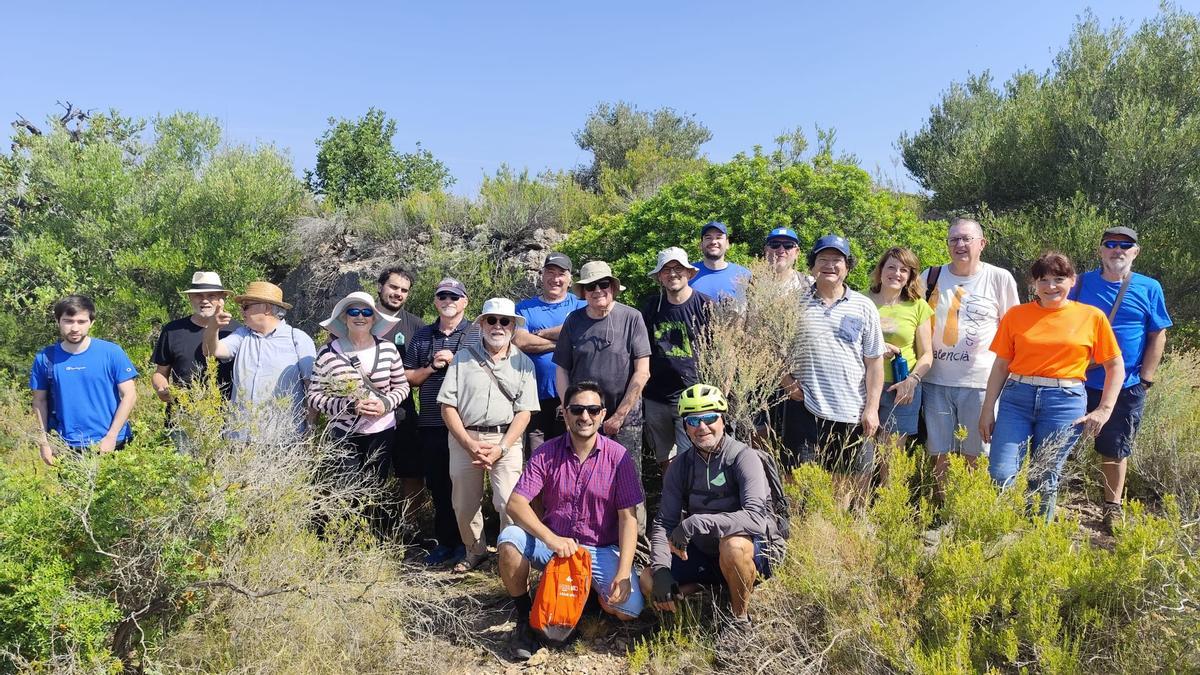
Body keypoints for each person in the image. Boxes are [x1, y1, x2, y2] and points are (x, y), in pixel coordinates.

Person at [499, 380, 645, 660]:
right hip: (554, 546)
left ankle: (583, 598)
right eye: (577, 409)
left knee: (629, 610)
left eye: (593, 410)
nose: (585, 416)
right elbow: (516, 503)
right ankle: (525, 616)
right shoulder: (546, 452)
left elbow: (629, 519)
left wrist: (624, 572)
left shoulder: (619, 457)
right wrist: (551, 538)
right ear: (565, 413)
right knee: (509, 540)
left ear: (603, 414)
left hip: (599, 549)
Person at [980, 252, 1123, 522]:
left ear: (1072, 280)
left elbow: (1115, 366)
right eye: (1043, 280)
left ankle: (1035, 536)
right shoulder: (1016, 315)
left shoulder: (1091, 317)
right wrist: (988, 408)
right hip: (1017, 398)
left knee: (1044, 474)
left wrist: (1104, 409)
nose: (1051, 286)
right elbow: (1001, 366)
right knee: (1001, 473)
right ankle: (1001, 532)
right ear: (1034, 283)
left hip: (1064, 401)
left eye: (1059, 279)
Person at [641, 384, 772, 647]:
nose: (702, 427)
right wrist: (662, 568)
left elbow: (756, 519)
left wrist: (696, 522)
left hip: (749, 550)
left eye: (710, 418)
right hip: (702, 552)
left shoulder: (743, 457)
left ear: (723, 419)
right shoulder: (680, 466)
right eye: (693, 421)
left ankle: (740, 621)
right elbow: (664, 522)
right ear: (685, 426)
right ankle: (697, 606)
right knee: (647, 579)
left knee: (733, 546)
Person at [1071, 227, 1172, 531]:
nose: (1117, 250)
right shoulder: (1081, 283)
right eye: (1111, 244)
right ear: (1101, 250)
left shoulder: (1149, 287)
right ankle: (1045, 501)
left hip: (1126, 386)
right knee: (1058, 442)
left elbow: (1157, 334)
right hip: (1078, 381)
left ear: (1135, 252)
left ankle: (1111, 508)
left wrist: (1145, 379)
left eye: (1125, 246)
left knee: (1115, 450)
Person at [781, 235, 884, 510]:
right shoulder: (792, 303)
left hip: (850, 410)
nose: (829, 265)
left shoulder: (864, 306)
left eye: (837, 260)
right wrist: (786, 381)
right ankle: (796, 530)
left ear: (847, 267)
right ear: (812, 266)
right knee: (795, 479)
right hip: (804, 407)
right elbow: (773, 348)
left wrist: (872, 408)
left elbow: (874, 363)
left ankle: (830, 530)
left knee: (842, 483)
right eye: (823, 259)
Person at [438, 298, 539, 573]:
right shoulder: (462, 359)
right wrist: (468, 443)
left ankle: (509, 555)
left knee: (509, 502)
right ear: (482, 323)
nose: (498, 326)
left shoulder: (524, 363)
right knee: (464, 504)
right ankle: (475, 551)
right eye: (491, 320)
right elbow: (447, 406)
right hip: (465, 438)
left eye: (505, 321)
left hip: (506, 440)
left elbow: (525, 412)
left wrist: (502, 448)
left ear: (513, 326)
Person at [921, 217, 1020, 495]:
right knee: (939, 451)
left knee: (976, 451)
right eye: (954, 239)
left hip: (981, 383)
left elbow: (1013, 329)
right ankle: (943, 505)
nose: (960, 245)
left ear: (982, 243)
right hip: (935, 380)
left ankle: (969, 505)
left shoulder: (999, 278)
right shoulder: (931, 276)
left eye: (967, 239)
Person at [554, 261, 651, 531]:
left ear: (613, 287)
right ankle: (591, 537)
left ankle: (636, 542)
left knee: (629, 480)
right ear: (583, 291)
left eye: (603, 284)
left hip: (625, 418)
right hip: (583, 416)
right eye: (590, 286)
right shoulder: (574, 321)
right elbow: (562, 370)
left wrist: (619, 415)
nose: (598, 290)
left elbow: (642, 372)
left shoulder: (631, 317)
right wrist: (568, 411)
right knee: (584, 477)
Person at [308, 291, 410, 530]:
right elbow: (314, 395)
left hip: (382, 431)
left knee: (375, 488)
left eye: (366, 312)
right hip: (344, 433)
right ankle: (349, 540)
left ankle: (374, 538)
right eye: (353, 311)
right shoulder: (327, 353)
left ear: (374, 318)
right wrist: (350, 407)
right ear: (344, 318)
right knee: (346, 489)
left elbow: (402, 386)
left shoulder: (388, 349)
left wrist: (385, 404)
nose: (360, 317)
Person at [403, 278, 480, 566]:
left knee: (465, 488)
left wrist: (455, 358)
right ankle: (446, 542)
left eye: (454, 296)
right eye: (443, 296)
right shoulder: (423, 335)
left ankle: (468, 544)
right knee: (438, 486)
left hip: (466, 424)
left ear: (465, 301)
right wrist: (432, 366)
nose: (448, 300)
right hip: (431, 423)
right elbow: (408, 377)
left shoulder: (477, 332)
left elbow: (487, 367)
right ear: (436, 301)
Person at [31, 295, 138, 465]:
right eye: (68, 321)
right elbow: (39, 402)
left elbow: (129, 395)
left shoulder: (111, 353)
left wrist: (111, 436)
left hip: (113, 442)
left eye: (81, 322)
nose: (75, 328)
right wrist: (44, 442)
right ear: (58, 321)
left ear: (91, 322)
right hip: (67, 446)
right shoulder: (45, 358)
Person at [203, 281, 317, 441]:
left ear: (267, 308)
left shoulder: (297, 339)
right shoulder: (242, 335)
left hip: (282, 439)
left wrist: (310, 431)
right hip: (240, 438)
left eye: (246, 306)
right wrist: (213, 327)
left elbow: (312, 389)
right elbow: (211, 351)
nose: (241, 311)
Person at [639, 247, 713, 468]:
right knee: (665, 460)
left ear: (689, 273)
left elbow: (721, 351)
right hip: (656, 397)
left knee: (691, 459)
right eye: (666, 269)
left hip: (692, 396)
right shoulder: (651, 306)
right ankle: (670, 492)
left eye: (678, 268)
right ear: (660, 277)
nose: (672, 274)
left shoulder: (705, 305)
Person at [151, 272, 238, 445]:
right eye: (199, 295)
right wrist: (161, 388)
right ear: (190, 298)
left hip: (227, 420)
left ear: (222, 298)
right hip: (182, 419)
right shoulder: (173, 330)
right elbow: (160, 372)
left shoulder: (236, 331)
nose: (204, 301)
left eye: (211, 295)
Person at [514, 253, 586, 452]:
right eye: (550, 272)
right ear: (542, 275)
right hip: (534, 397)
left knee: (569, 456)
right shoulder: (524, 308)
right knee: (537, 457)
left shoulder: (580, 304)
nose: (555, 279)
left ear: (570, 278)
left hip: (571, 396)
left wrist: (541, 334)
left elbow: (579, 330)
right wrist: (563, 344)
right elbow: (521, 340)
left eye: (561, 274)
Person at [867, 248, 933, 447]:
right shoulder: (861, 301)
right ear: (881, 270)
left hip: (901, 388)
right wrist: (877, 348)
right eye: (891, 267)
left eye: (903, 270)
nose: (896, 273)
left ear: (910, 276)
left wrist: (912, 381)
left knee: (891, 455)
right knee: (861, 452)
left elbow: (927, 354)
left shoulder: (918, 306)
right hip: (863, 384)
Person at [375, 267, 426, 508]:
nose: (398, 293)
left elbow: (423, 371)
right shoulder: (359, 316)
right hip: (361, 412)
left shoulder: (416, 326)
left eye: (404, 290)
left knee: (412, 472)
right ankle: (369, 525)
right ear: (380, 287)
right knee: (367, 473)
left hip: (402, 411)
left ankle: (410, 525)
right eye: (393, 287)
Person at [689, 221, 751, 302]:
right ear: (701, 244)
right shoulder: (688, 273)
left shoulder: (743, 275)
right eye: (708, 238)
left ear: (727, 244)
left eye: (719, 237)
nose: (713, 242)